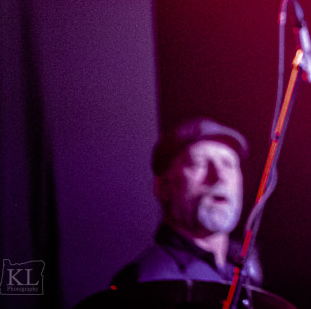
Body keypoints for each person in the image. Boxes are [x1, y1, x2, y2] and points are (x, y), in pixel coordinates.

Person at [111, 117, 262, 289]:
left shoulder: (247, 271)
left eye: (228, 164)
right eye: (199, 163)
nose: (219, 177)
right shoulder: (144, 283)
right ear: (163, 186)